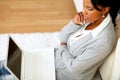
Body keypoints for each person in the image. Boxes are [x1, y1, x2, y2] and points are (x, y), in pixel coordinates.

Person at [55, 0, 120, 80]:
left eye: (89, 9)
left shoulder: (104, 41)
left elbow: (74, 68)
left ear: (105, 10)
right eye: (83, 6)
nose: (83, 12)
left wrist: (63, 47)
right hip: (56, 59)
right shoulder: (89, 18)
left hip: (64, 75)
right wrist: (74, 23)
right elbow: (62, 36)